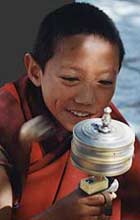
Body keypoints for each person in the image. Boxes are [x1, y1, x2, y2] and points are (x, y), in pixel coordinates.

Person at [0, 2, 140, 220]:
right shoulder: (7, 121)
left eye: (104, 82)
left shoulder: (107, 126)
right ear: (35, 72)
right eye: (70, 79)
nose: (86, 99)